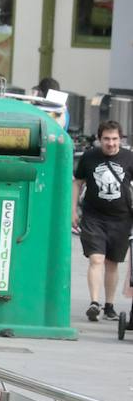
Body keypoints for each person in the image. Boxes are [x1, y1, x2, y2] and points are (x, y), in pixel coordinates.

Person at [74, 119, 133, 321]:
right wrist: (72, 211)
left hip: (122, 219)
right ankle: (94, 303)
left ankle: (109, 306)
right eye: (106, 139)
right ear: (100, 139)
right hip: (94, 216)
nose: (111, 143)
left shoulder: (129, 158)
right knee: (96, 259)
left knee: (112, 263)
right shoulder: (89, 157)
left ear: (120, 139)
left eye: (115, 139)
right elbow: (77, 183)